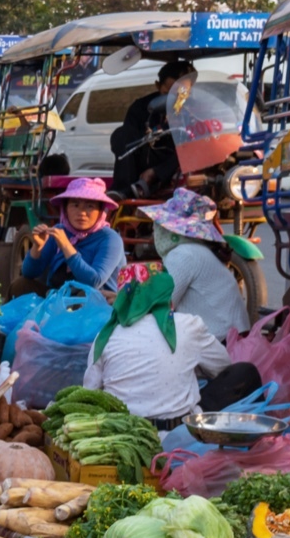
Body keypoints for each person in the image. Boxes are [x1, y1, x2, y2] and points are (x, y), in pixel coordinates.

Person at [82, 271, 262, 427]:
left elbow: (90, 392)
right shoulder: (187, 325)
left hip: (124, 433)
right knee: (244, 372)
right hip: (178, 433)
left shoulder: (106, 334)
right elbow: (223, 367)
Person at [141, 188, 250, 340]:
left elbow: (158, 305)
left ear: (170, 230)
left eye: (158, 225)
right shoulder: (196, 250)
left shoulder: (183, 255)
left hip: (219, 342)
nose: (154, 232)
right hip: (230, 339)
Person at [15, 176, 125, 295]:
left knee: (83, 295)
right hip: (57, 296)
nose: (82, 213)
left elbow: (94, 281)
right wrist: (37, 248)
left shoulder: (110, 239)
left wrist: (66, 246)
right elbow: (29, 273)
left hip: (95, 302)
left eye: (90, 206)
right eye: (75, 205)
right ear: (65, 209)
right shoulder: (59, 231)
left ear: (100, 211)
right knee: (20, 285)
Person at [111, 61, 195, 199]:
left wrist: (157, 172)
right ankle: (124, 191)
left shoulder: (197, 110)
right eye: (167, 93)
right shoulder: (141, 107)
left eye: (181, 93)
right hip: (147, 157)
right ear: (157, 86)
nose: (174, 99)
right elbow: (128, 140)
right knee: (121, 134)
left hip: (176, 162)